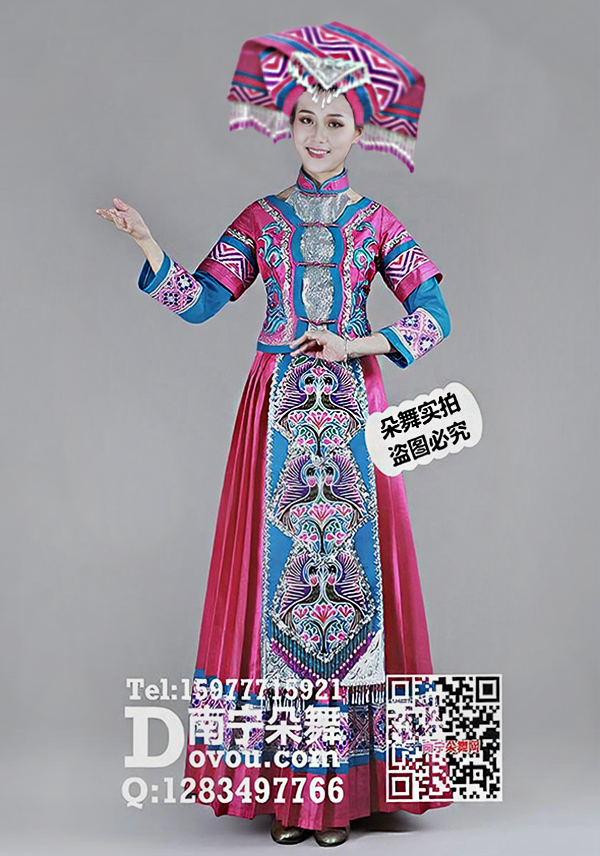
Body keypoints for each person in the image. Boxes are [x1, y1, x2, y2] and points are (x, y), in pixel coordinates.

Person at [97, 22, 452, 848]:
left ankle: (347, 797)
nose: (318, 136)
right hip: (277, 423)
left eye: (335, 122)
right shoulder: (261, 219)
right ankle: (290, 794)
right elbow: (200, 302)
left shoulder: (377, 223)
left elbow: (435, 314)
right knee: (277, 597)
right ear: (288, 126)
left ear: (360, 132)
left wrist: (361, 344)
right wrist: (147, 244)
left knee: (355, 596)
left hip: (355, 418)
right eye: (306, 120)